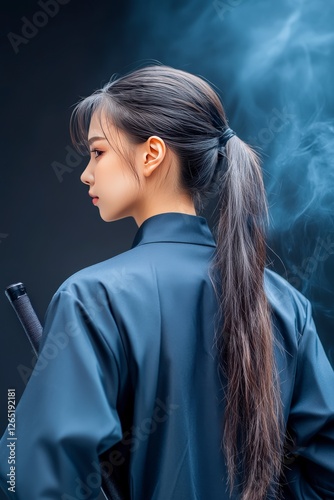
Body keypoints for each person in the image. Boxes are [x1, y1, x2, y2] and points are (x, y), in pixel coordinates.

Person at [0, 64, 333, 500]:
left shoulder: (92, 298)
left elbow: (27, 477)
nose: (85, 173)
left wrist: (16, 433)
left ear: (151, 154)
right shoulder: (285, 303)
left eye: (98, 152)